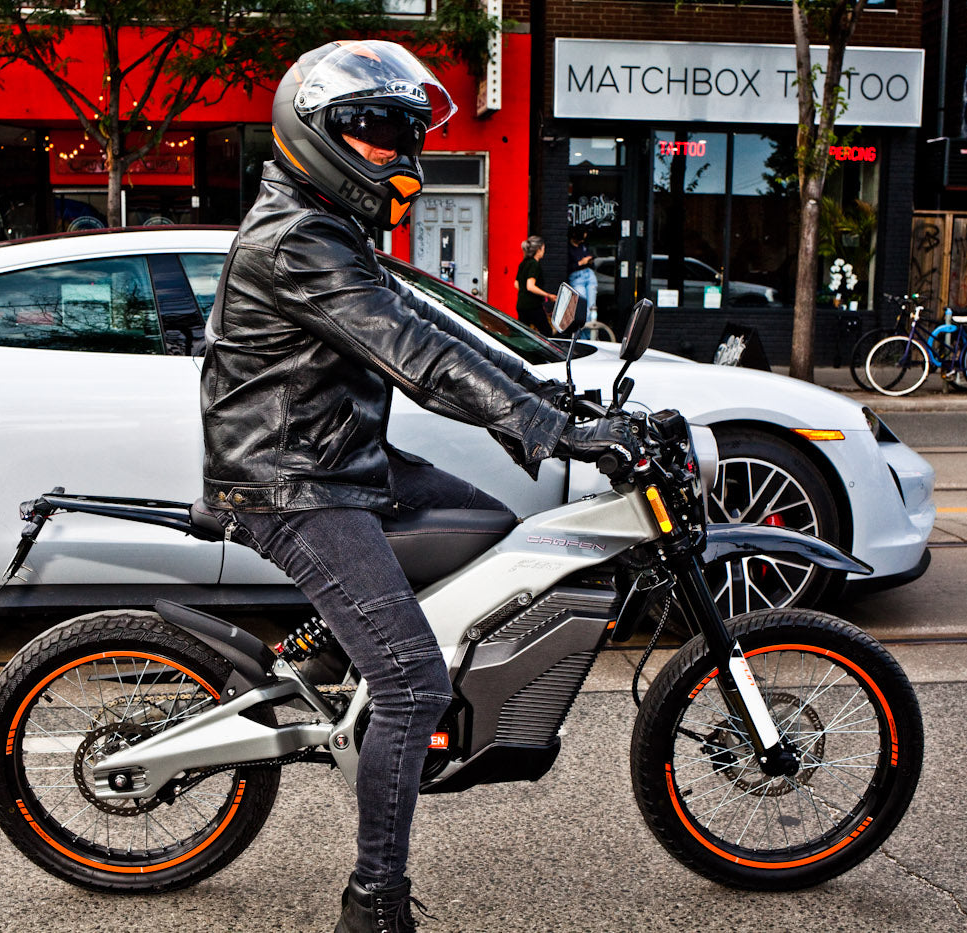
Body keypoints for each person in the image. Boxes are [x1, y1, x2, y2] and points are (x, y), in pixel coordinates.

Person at [200, 39, 635, 933]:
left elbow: (432, 324)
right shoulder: (298, 239)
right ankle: (374, 903)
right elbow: (416, 355)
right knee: (412, 682)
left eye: (407, 133)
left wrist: (553, 398)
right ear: (316, 134)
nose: (399, 152)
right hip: (292, 480)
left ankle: (331, 652)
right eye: (376, 129)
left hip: (336, 455)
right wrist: (548, 430)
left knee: (493, 530)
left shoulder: (330, 224)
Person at [514, 235, 556, 334]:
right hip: (533, 305)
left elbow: (516, 284)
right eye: (543, 248)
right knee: (547, 332)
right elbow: (530, 286)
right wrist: (548, 295)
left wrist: (524, 293)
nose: (544, 251)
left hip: (521, 305)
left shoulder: (523, 263)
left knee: (523, 334)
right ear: (538, 249)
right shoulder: (534, 264)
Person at [567, 229, 598, 325]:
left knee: (592, 307)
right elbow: (567, 267)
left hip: (589, 274)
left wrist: (590, 260)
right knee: (581, 307)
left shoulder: (583, 246)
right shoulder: (568, 248)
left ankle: (590, 331)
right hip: (577, 277)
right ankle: (582, 331)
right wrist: (580, 263)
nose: (582, 241)